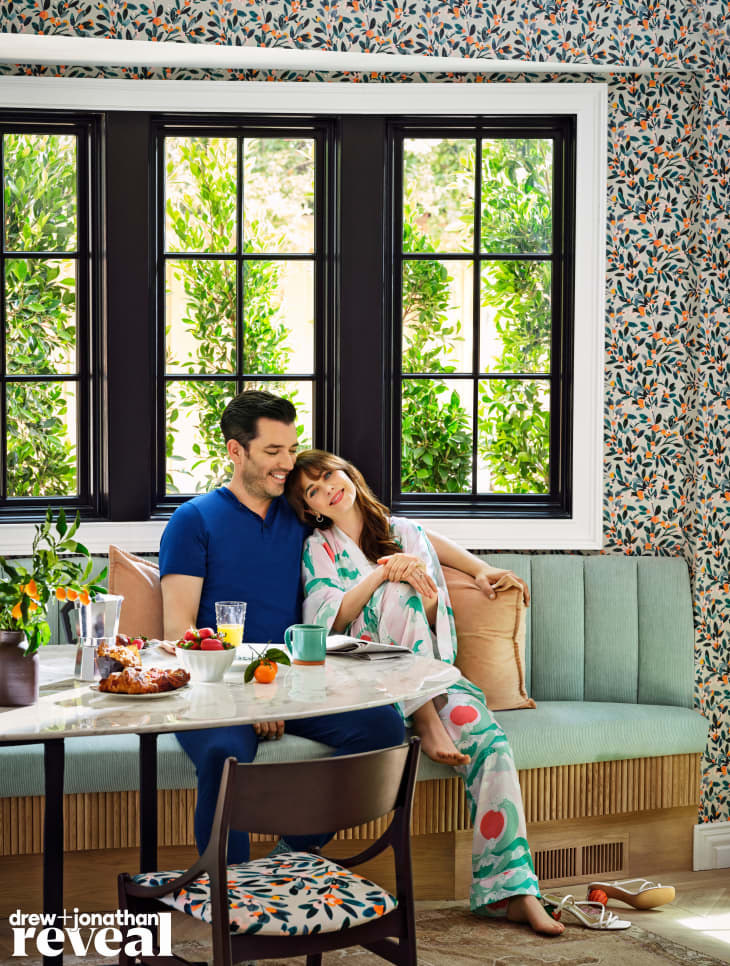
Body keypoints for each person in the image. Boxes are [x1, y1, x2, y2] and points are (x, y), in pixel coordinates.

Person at [285, 449, 564, 937]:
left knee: (492, 745)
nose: (329, 486)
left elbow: (436, 612)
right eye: (313, 489)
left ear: (349, 473)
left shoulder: (405, 533)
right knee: (400, 583)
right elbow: (329, 619)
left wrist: (460, 582)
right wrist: (382, 575)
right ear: (312, 509)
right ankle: (427, 720)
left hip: (431, 680)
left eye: (331, 473)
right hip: (369, 690)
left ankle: (512, 892)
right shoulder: (318, 547)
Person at [158, 391, 405, 865]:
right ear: (236, 450)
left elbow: (386, 527)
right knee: (224, 755)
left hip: (294, 680)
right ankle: (227, 892)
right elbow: (180, 632)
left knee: (383, 728)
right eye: (273, 452)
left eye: (291, 449)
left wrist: (476, 569)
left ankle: (293, 850)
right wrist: (249, 696)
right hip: (218, 690)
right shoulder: (192, 521)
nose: (287, 463)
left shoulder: (299, 515)